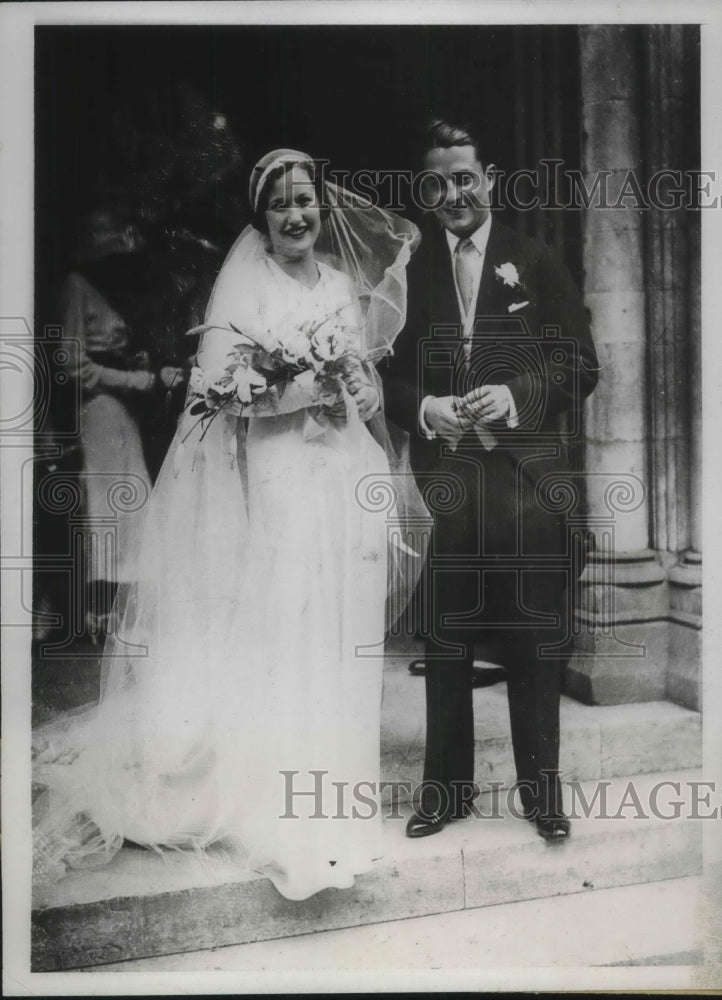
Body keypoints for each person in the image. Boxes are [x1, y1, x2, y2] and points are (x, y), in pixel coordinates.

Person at [33, 149, 424, 901]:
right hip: (279, 480)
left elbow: (369, 394)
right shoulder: (245, 283)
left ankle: (338, 808)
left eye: (306, 199)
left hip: (343, 473)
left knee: (340, 632)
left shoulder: (342, 285)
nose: (297, 215)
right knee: (287, 629)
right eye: (281, 204)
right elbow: (219, 393)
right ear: (262, 216)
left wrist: (357, 387)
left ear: (323, 203)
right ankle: (280, 810)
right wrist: (302, 384)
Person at [382, 119, 600, 841]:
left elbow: (581, 366)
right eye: (438, 182)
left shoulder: (534, 262)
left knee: (535, 635)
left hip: (528, 478)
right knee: (446, 637)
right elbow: (385, 374)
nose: (453, 194)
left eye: (465, 178)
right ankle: (446, 791)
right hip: (449, 479)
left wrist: (516, 396)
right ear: (427, 189)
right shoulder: (409, 275)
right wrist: (424, 406)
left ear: (491, 178)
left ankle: (542, 793)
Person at [57, 209, 155, 636]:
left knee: (130, 506)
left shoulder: (112, 295)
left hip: (123, 414)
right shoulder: (75, 287)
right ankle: (92, 614)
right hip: (97, 409)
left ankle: (120, 614)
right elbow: (69, 362)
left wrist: (136, 363)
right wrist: (129, 378)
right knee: (102, 511)